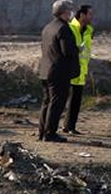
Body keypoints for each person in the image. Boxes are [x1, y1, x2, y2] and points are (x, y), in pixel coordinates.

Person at [37, 0, 80, 143]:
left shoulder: (48, 27)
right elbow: (67, 51)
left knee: (47, 102)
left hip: (45, 70)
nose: (71, 13)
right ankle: (50, 134)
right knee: (57, 103)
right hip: (58, 72)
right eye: (70, 10)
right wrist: (77, 49)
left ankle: (42, 132)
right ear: (64, 12)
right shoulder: (63, 28)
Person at [63, 5, 94, 135]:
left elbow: (86, 51)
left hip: (81, 70)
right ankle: (55, 127)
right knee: (62, 100)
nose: (92, 17)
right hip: (69, 69)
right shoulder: (70, 28)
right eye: (89, 14)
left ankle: (70, 127)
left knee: (76, 101)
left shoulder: (89, 30)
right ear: (81, 15)